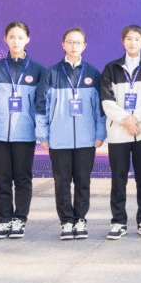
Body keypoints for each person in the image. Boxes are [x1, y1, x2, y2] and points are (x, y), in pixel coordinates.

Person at [35, 27, 106, 240]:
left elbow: (100, 108)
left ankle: (80, 219)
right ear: (63, 44)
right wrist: (43, 135)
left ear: (85, 46)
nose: (74, 46)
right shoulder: (51, 73)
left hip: (86, 139)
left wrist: (100, 134)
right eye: (70, 42)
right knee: (62, 183)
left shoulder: (93, 73)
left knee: (83, 181)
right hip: (59, 139)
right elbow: (41, 106)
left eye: (78, 42)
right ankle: (66, 221)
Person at [0, 21, 45, 239]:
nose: (16, 41)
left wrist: (40, 132)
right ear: (5, 40)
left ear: (27, 39)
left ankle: (20, 219)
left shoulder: (38, 70)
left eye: (20, 37)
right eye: (12, 37)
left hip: (24, 133)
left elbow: (40, 103)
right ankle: (4, 220)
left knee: (22, 178)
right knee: (1, 179)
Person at [100, 25, 141, 240]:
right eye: (128, 38)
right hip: (118, 133)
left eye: (137, 39)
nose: (132, 42)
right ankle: (118, 221)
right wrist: (126, 120)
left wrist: (137, 118)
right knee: (118, 179)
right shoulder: (111, 68)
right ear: (123, 41)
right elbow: (107, 100)